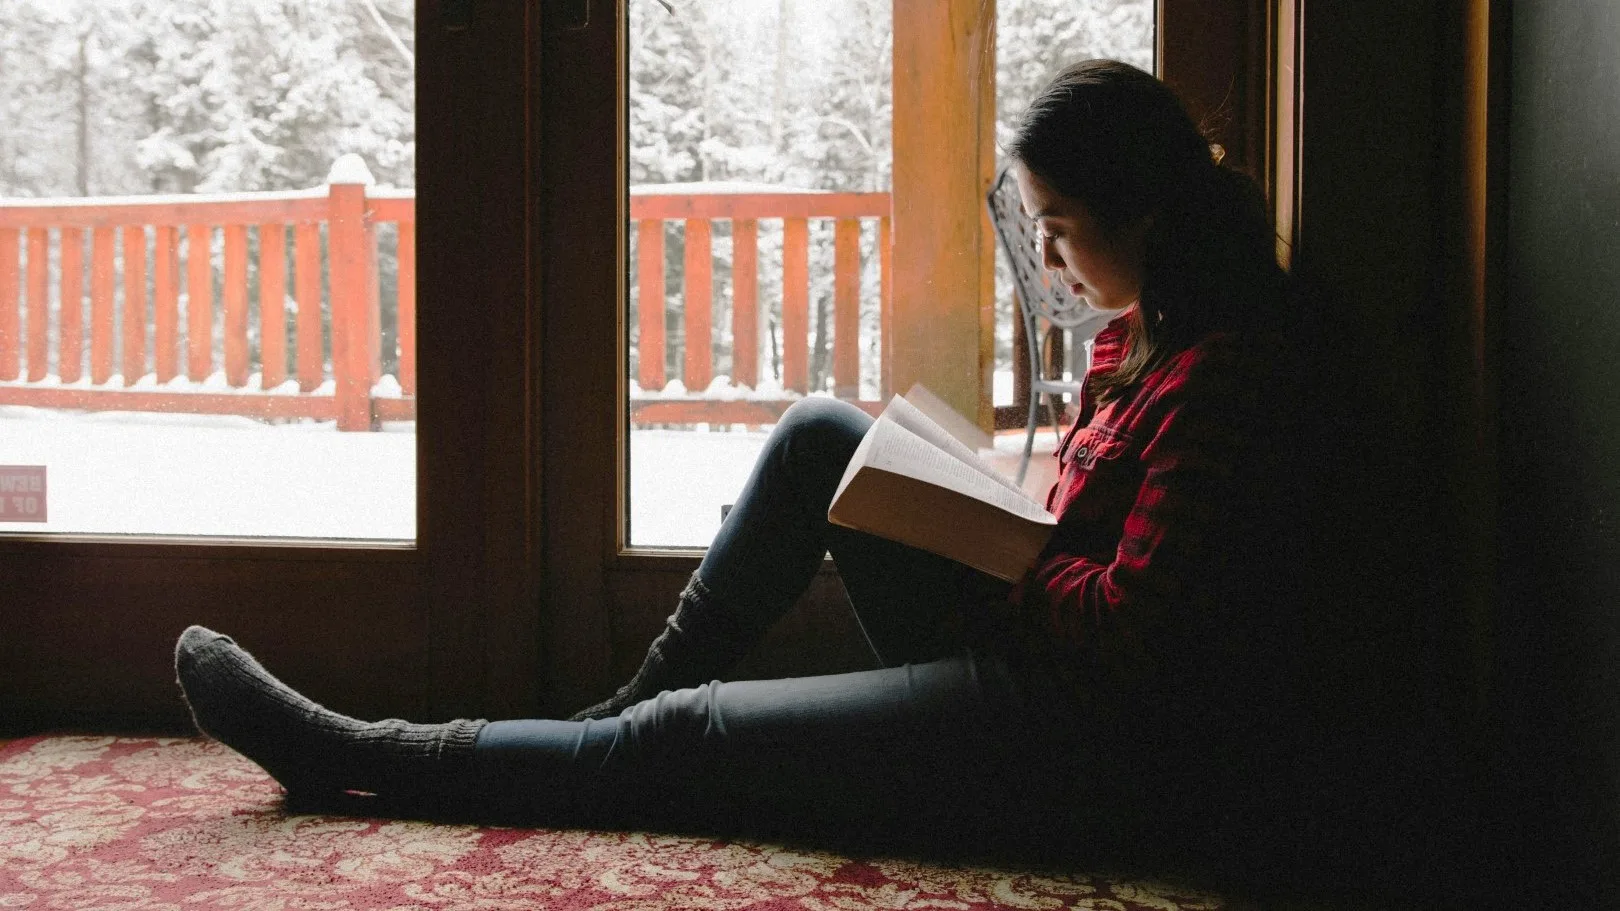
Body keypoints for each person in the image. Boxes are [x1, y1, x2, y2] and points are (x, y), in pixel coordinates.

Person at [174, 59, 1308, 868]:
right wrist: (991, 527)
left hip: (1086, 749)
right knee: (821, 435)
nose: (1050, 260)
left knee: (689, 738)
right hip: (1036, 658)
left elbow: (1135, 630)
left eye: (1058, 227)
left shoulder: (1223, 371)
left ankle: (361, 755)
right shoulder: (1140, 335)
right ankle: (611, 719)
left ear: (1142, 213)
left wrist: (1013, 558)